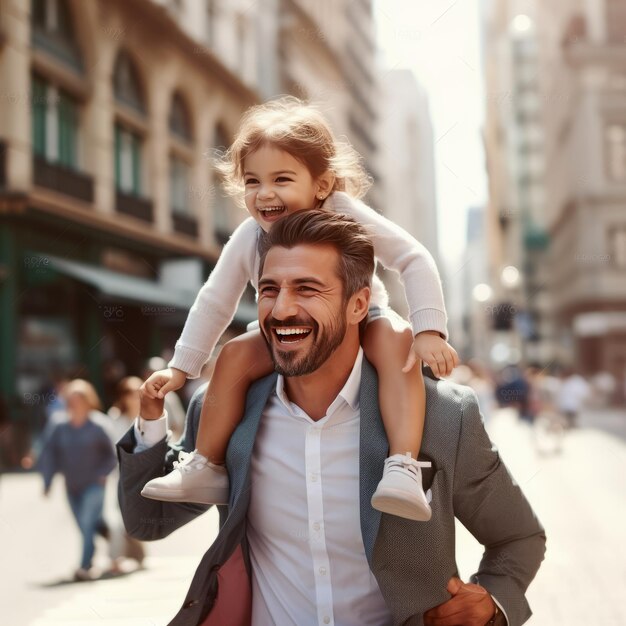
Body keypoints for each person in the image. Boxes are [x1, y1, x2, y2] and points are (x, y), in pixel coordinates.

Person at [118, 211, 545, 625]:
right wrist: (151, 428)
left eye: (307, 289)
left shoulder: (444, 417)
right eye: (269, 290)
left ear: (359, 304)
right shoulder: (225, 409)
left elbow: (518, 538)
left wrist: (491, 603)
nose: (281, 310)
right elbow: (146, 520)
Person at [141, 97, 459, 522]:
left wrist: (428, 330)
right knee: (235, 354)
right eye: (252, 182)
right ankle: (206, 463)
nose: (264, 193)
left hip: (363, 319)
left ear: (322, 185)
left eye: (282, 179)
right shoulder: (248, 235)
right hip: (286, 330)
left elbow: (413, 258)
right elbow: (215, 299)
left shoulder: (343, 212)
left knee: (397, 344)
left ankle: (402, 464)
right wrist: (181, 367)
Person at [38, 379, 117, 581]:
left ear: (88, 400)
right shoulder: (59, 425)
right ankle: (113, 536)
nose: (74, 404)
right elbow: (49, 454)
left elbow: (113, 454)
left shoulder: (99, 424)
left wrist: (102, 474)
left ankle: (84, 565)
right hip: (72, 485)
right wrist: (47, 482)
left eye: (78, 400)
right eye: (71, 400)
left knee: (86, 522)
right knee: (86, 525)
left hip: (94, 484)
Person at [105, 376, 146, 571]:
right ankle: (115, 558)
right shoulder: (114, 418)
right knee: (116, 518)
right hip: (119, 476)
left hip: (144, 477)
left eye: (138, 392)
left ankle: (137, 553)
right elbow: (109, 448)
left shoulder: (150, 417)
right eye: (129, 393)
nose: (134, 397)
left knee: (134, 518)